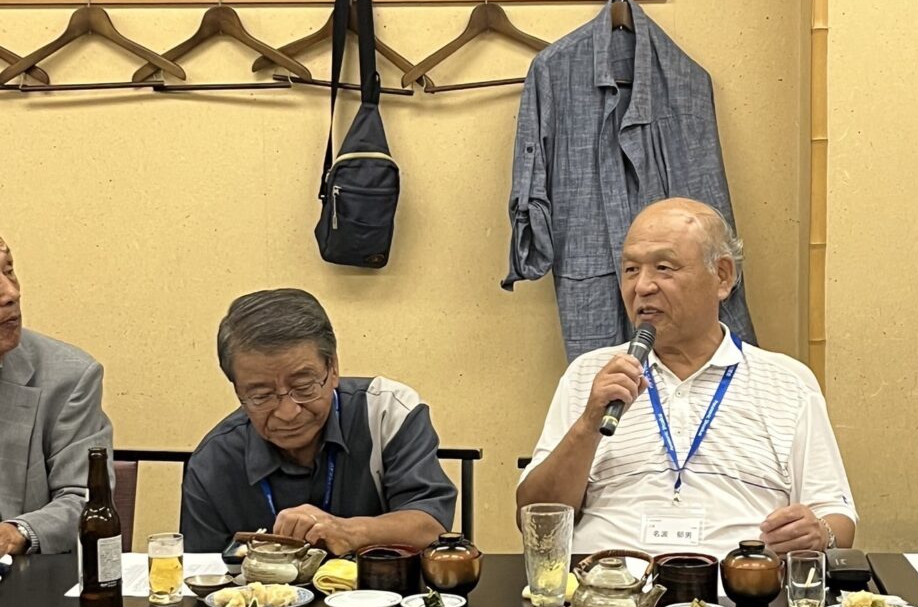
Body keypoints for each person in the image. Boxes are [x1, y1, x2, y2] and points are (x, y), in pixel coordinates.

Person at [516, 199, 857, 558]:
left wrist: (819, 533)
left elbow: (838, 518)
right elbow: (534, 521)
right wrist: (588, 425)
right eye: (630, 269)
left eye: (663, 267)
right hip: (606, 585)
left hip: (737, 586)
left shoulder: (788, 382)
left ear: (722, 276)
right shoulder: (588, 374)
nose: (642, 286)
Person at [181, 288, 457, 554]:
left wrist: (348, 532)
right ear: (238, 390)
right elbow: (201, 573)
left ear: (333, 368)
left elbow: (431, 529)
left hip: (382, 586)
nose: (288, 412)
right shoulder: (213, 463)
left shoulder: (387, 412)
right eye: (261, 395)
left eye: (303, 386)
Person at [0, 234, 113, 556]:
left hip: (21, 578)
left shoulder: (68, 378)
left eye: (9, 271)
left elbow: (85, 499)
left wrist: (17, 533)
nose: (11, 293)